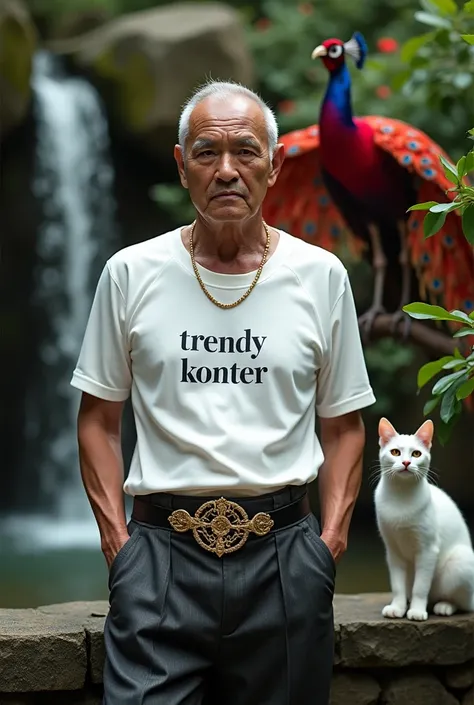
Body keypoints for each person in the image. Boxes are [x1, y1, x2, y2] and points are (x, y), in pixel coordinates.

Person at [71, 80, 376, 705]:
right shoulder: (130, 273)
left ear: (276, 164)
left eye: (246, 151)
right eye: (207, 152)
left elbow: (344, 425)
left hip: (286, 559)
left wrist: (329, 548)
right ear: (182, 167)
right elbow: (98, 420)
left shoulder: (320, 276)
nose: (228, 170)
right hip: (159, 557)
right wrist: (119, 551)